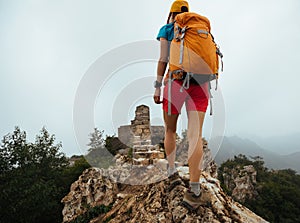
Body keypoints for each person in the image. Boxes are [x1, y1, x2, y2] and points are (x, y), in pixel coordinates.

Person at [153, 0, 209, 210]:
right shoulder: (198, 29)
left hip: (174, 83)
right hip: (201, 85)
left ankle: (171, 173)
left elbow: (163, 59)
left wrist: (158, 86)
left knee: (170, 130)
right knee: (195, 136)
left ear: (171, 13)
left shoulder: (167, 29)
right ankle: (194, 191)